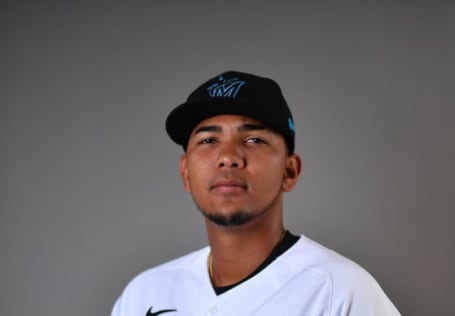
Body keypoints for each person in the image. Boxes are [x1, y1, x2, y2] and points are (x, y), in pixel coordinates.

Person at [111, 71, 401, 315]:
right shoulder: (143, 294)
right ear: (186, 172)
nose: (228, 157)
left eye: (253, 139)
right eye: (209, 139)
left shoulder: (338, 290)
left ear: (290, 172)